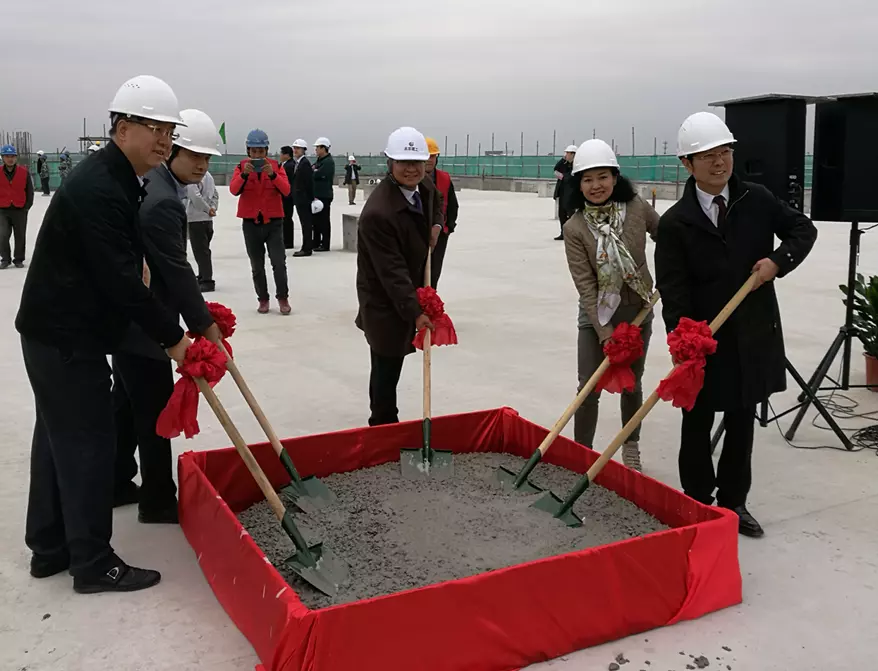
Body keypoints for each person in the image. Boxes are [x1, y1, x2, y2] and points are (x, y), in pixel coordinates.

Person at [15, 74, 192, 594]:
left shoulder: (117, 178)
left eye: (169, 131)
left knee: (57, 441)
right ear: (121, 127)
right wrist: (174, 339)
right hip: (68, 337)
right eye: (154, 128)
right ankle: (92, 563)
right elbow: (122, 283)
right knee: (89, 445)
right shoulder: (100, 187)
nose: (163, 140)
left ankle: (49, 548)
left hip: (56, 331)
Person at [655, 111, 817, 538]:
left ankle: (733, 502)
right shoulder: (675, 223)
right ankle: (696, 500)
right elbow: (673, 290)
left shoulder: (756, 199)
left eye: (724, 151)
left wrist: (778, 262)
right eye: (707, 155)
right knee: (696, 422)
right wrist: (684, 341)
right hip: (704, 340)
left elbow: (802, 230)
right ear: (687, 164)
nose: (719, 162)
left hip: (751, 334)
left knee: (742, 421)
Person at [113, 108, 223, 524]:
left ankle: (116, 481)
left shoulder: (159, 185)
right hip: (147, 324)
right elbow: (176, 271)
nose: (202, 165)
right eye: (194, 155)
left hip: (130, 320)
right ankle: (157, 500)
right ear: (173, 150)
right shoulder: (162, 202)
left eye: (207, 158)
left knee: (125, 405)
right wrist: (204, 325)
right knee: (154, 414)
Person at [562, 139, 659, 471]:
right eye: (587, 179)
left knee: (632, 383)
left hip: (638, 312)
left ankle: (630, 446)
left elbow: (667, 235)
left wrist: (674, 273)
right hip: (596, 318)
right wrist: (605, 334)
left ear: (615, 178)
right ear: (579, 185)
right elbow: (586, 286)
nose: (596, 186)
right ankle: (582, 455)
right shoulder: (575, 228)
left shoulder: (636, 208)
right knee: (588, 387)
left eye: (602, 177)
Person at [355, 126, 443, 426]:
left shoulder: (425, 186)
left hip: (408, 289)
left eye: (417, 162)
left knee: (394, 359)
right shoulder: (378, 213)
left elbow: (437, 203)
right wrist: (416, 312)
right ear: (390, 163)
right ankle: (382, 425)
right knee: (386, 364)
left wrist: (436, 226)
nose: (411, 169)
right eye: (404, 162)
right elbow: (392, 272)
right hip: (383, 299)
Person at [230, 128, 292, 314]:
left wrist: (272, 175)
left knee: (278, 263)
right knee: (257, 265)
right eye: (254, 151)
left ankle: (283, 297)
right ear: (248, 150)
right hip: (251, 224)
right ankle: (263, 299)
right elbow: (234, 190)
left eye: (261, 151)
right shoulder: (241, 167)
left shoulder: (276, 166)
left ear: (266, 150)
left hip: (273, 223)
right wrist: (244, 175)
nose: (257, 155)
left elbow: (286, 190)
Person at [424, 137, 459, 288]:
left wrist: (448, 227)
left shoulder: (444, 178)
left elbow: (453, 205)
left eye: (432, 156)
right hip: (417, 233)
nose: (429, 160)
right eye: (426, 156)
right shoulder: (411, 178)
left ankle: (431, 297)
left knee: (434, 272)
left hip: (440, 233)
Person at [1, 144, 34, 269]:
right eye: (7, 156)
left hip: (20, 209)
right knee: (2, 235)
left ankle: (19, 259)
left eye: (12, 156)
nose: (10, 159)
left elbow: (29, 191)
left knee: (20, 236)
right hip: (2, 209)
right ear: (3, 158)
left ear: (16, 158)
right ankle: (5, 259)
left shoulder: (24, 172)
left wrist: (26, 207)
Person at [187, 168, 219, 292]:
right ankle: (202, 275)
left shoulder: (191, 175)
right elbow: (215, 193)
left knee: (201, 252)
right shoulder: (208, 175)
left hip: (196, 218)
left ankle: (207, 280)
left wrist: (206, 209)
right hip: (207, 219)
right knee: (204, 250)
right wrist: (212, 208)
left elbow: (195, 196)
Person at [291, 138, 315, 257]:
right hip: (300, 198)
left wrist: (309, 198)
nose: (295, 150)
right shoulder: (299, 163)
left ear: (303, 150)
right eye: (294, 148)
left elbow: (308, 183)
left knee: (306, 224)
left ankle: (307, 248)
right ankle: (306, 246)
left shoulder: (304, 164)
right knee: (304, 224)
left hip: (304, 199)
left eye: (298, 148)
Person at [312, 136, 335, 251]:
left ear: (323, 148)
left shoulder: (328, 162)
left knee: (324, 220)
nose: (316, 150)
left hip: (324, 195)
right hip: (317, 194)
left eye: (317, 147)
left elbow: (318, 174)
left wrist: (315, 172)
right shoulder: (319, 161)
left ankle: (325, 244)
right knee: (316, 221)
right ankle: (316, 242)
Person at [553, 145, 577, 240]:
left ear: (573, 154)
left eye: (568, 153)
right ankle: (563, 233)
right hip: (562, 193)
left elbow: (572, 177)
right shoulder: (564, 163)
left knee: (571, 215)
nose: (566, 155)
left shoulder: (577, 165)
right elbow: (556, 169)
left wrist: (564, 177)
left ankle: (572, 234)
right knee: (561, 214)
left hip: (571, 194)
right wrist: (563, 159)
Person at [279, 145, 297, 249]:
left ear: (287, 155)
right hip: (284, 196)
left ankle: (288, 241)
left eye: (281, 154)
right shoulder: (285, 165)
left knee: (287, 218)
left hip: (287, 196)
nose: (280, 156)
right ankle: (285, 239)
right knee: (285, 218)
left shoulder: (290, 166)